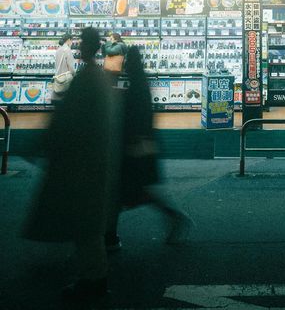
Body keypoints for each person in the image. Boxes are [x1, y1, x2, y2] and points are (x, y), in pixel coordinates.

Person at [24, 27, 120, 304]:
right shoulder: (99, 79)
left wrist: (41, 145)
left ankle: (93, 280)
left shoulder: (85, 79)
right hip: (98, 160)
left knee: (85, 225)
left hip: (83, 164)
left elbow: (65, 120)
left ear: (83, 48)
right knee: (91, 223)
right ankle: (93, 276)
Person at [105, 45, 190, 251]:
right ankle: (110, 236)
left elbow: (135, 116)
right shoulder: (141, 82)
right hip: (143, 146)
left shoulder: (136, 85)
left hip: (135, 148)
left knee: (123, 193)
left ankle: (110, 237)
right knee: (134, 192)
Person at [51, 33, 76, 102]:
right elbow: (71, 67)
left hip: (58, 77)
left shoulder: (59, 49)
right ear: (68, 40)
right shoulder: (67, 50)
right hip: (66, 79)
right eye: (71, 41)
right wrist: (74, 75)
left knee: (59, 97)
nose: (72, 43)